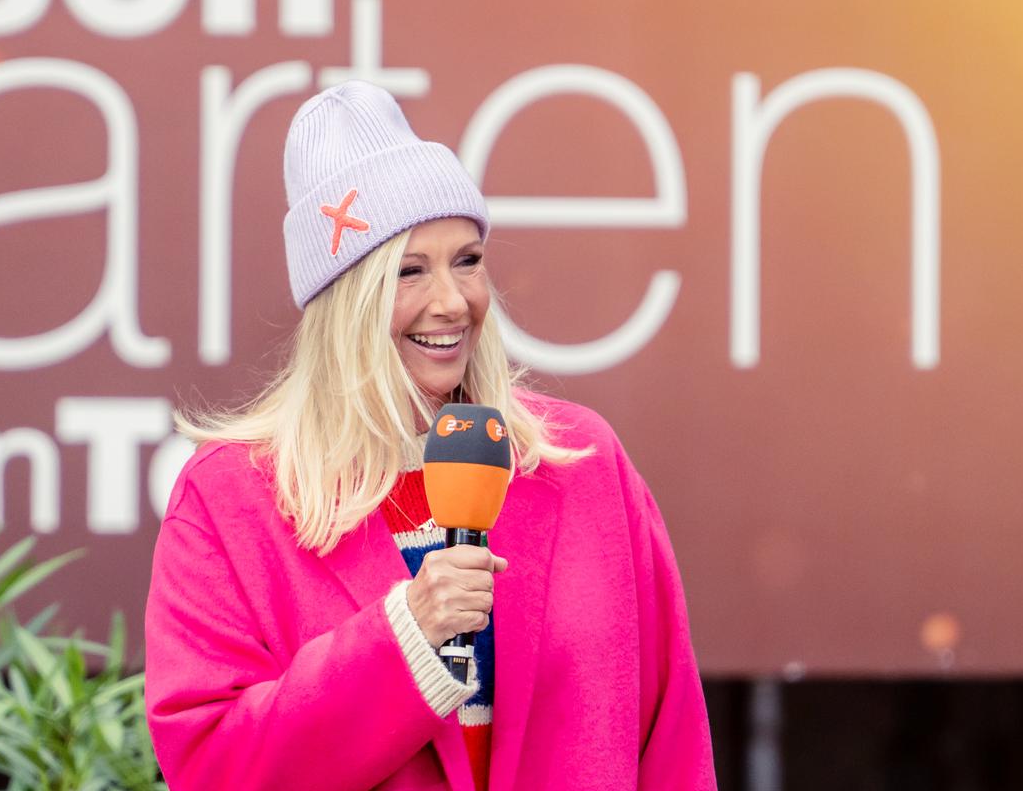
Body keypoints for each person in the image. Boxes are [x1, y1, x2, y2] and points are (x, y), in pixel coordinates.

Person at [144, 81, 715, 790]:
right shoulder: (233, 496)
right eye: (409, 271)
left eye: (467, 260)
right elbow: (211, 765)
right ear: (344, 300)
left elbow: (672, 739)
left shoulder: (582, 465)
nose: (452, 301)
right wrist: (403, 639)